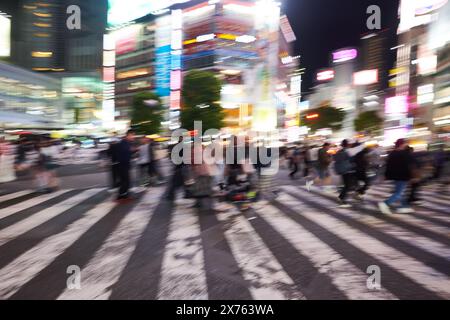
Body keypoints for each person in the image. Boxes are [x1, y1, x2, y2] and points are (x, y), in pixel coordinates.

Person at [378, 139, 415, 214]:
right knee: (399, 193)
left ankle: (404, 206)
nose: (405, 145)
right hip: (403, 176)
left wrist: (386, 176)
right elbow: (410, 166)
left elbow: (388, 166)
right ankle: (385, 203)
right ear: (401, 144)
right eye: (404, 144)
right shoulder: (405, 154)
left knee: (400, 191)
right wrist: (412, 176)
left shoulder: (392, 153)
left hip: (395, 176)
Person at [333, 140, 365, 207]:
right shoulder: (348, 151)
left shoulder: (339, 151)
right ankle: (342, 198)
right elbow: (352, 160)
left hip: (342, 170)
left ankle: (343, 196)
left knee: (347, 184)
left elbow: (335, 159)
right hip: (347, 169)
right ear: (347, 144)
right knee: (348, 185)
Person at [116, 129, 136, 201]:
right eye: (133, 135)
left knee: (125, 181)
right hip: (123, 165)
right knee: (125, 181)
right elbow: (125, 152)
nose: (133, 137)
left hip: (124, 165)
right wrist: (132, 150)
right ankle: (122, 195)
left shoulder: (126, 142)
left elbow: (128, 153)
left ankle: (123, 195)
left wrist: (133, 151)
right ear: (129, 135)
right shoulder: (124, 142)